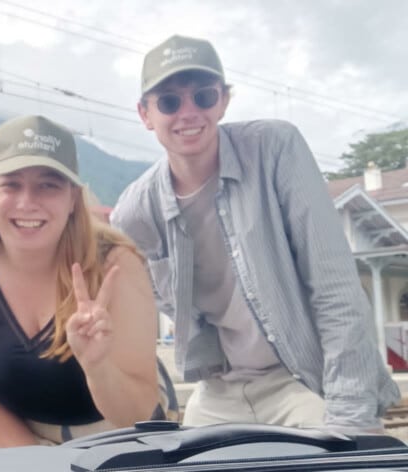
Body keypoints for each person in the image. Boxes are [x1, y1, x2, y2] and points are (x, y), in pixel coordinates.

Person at [111, 34, 400, 432]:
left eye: (204, 96)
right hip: (219, 390)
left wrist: (349, 418)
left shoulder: (275, 149)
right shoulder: (134, 213)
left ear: (224, 100)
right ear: (146, 114)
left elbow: (335, 287)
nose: (189, 112)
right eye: (170, 101)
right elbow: (163, 303)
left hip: (304, 379)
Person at [0, 115, 176, 449]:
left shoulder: (115, 267)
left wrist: (98, 368)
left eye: (48, 184)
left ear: (72, 199)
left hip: (114, 436)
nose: (27, 202)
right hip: (17, 438)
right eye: (11, 183)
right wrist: (38, 460)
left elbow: (139, 415)